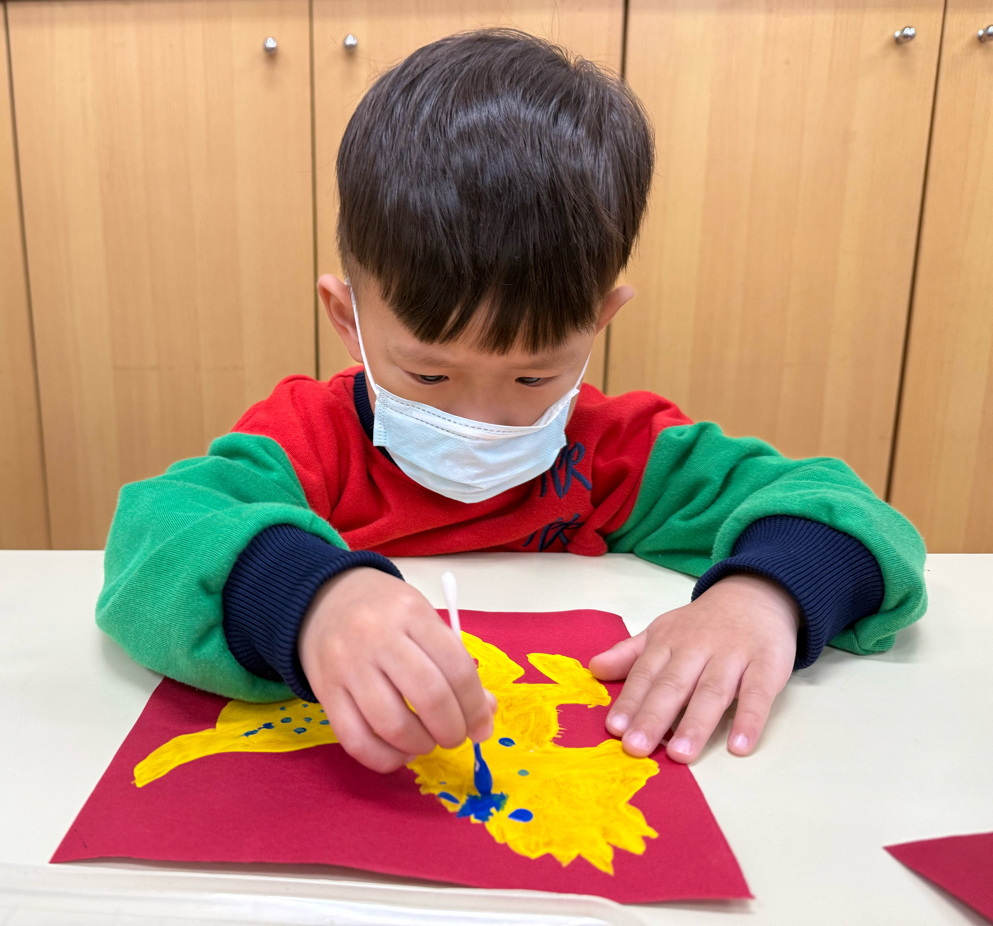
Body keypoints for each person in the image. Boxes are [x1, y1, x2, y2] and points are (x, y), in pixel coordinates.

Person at [97, 28, 926, 775]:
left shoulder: (616, 454)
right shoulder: (310, 443)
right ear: (348, 319)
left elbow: (851, 515)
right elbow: (152, 537)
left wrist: (763, 598)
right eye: (429, 377)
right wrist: (310, 601)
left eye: (533, 378)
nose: (479, 422)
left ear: (598, 324)